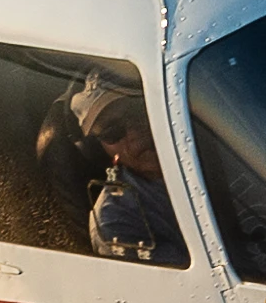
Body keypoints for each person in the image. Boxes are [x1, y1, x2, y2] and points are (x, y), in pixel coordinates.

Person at [67, 76, 184, 264]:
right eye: (112, 132)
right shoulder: (115, 223)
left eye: (137, 112)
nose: (134, 134)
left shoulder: (217, 134)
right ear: (99, 149)